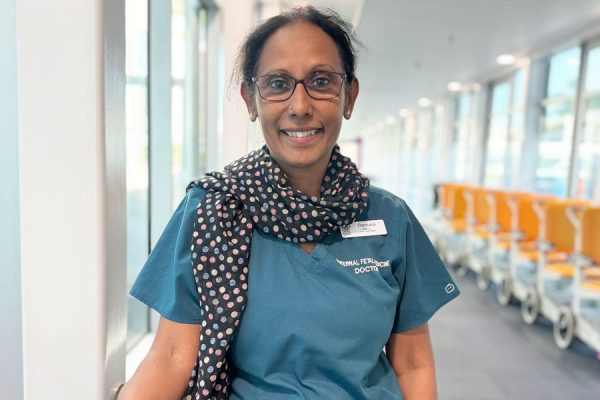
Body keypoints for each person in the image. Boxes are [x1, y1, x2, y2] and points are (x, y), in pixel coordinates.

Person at [120, 5, 459, 400]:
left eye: (321, 81)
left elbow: (413, 361)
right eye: (278, 84)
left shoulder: (390, 217)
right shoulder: (211, 213)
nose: (299, 106)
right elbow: (172, 355)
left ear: (348, 97)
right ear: (251, 100)